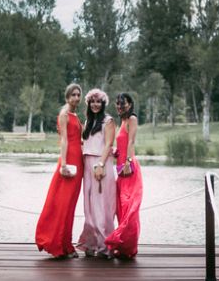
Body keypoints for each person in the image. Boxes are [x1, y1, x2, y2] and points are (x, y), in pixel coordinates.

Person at [35, 83, 84, 259]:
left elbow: (80, 138)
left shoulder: (75, 115)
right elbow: (64, 140)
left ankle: (67, 244)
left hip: (78, 161)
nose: (76, 98)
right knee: (62, 203)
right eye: (73, 95)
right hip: (69, 161)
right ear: (67, 97)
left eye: (78, 95)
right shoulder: (64, 114)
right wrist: (63, 164)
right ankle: (58, 244)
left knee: (70, 205)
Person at [77, 88, 117, 257]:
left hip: (101, 163)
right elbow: (85, 143)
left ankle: (105, 246)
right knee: (89, 205)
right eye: (92, 101)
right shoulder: (88, 122)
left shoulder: (108, 121)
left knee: (101, 205)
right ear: (88, 103)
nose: (95, 104)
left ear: (103, 103)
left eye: (98, 102)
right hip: (87, 164)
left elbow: (108, 144)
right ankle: (91, 244)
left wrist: (100, 164)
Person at [105, 92, 143, 258]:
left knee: (129, 208)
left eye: (123, 104)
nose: (120, 107)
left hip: (129, 169)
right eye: (118, 104)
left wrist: (127, 161)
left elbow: (132, 142)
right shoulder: (122, 121)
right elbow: (122, 143)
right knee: (121, 209)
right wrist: (115, 152)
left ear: (130, 104)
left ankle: (129, 247)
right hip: (120, 170)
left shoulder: (132, 119)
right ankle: (123, 246)